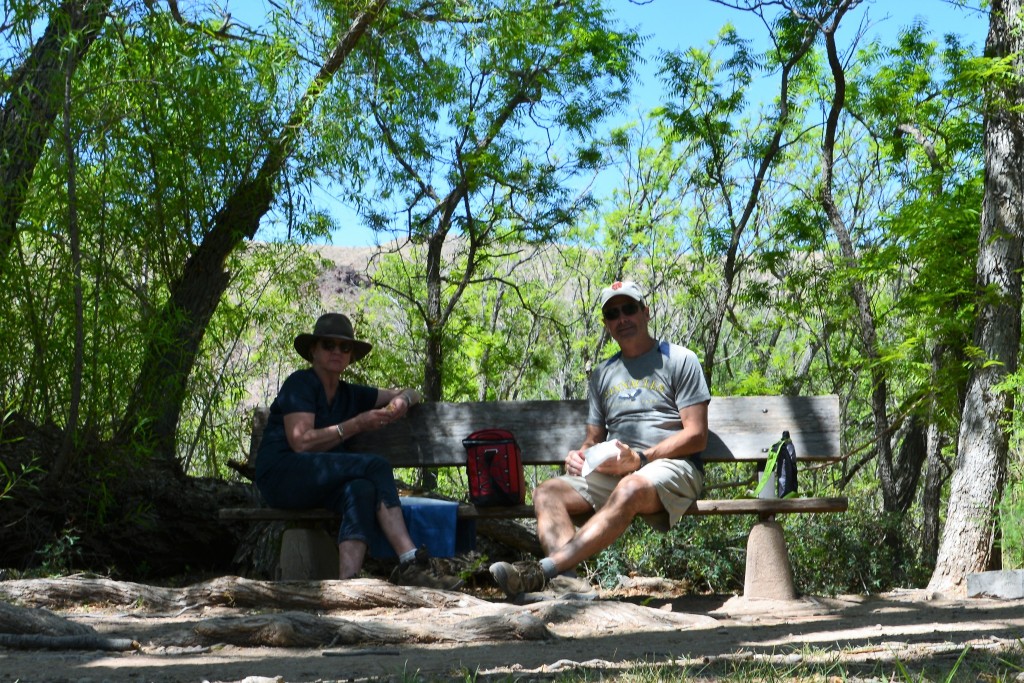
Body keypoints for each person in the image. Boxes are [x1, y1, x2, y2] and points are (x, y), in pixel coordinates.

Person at [489, 281, 711, 597]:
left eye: (629, 309)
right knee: (547, 492)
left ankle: (542, 572)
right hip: (616, 469)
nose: (622, 318)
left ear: (646, 312)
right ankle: (571, 587)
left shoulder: (679, 360)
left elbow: (696, 435)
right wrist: (580, 455)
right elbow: (594, 438)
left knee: (631, 486)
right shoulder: (603, 374)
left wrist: (642, 459)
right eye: (612, 313)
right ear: (607, 325)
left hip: (672, 467)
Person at [255, 312, 462, 589]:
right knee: (375, 466)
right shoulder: (300, 384)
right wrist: (355, 425)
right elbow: (301, 443)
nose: (337, 352)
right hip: (282, 476)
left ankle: (348, 584)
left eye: (345, 347)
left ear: (351, 355)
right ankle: (410, 560)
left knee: (361, 489)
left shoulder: (349, 393)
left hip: (318, 480)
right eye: (328, 345)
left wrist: (402, 401)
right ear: (313, 350)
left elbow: (410, 391)